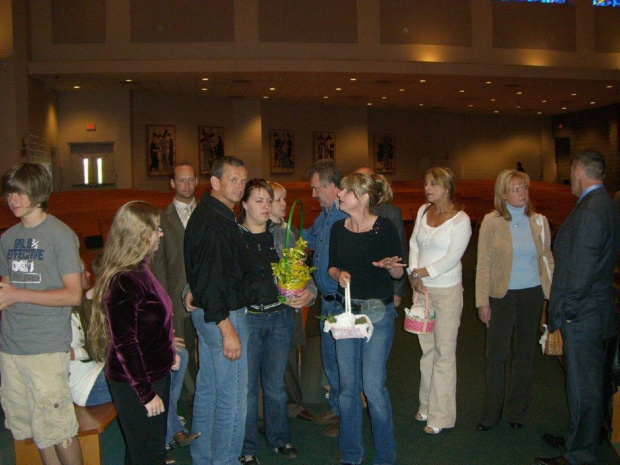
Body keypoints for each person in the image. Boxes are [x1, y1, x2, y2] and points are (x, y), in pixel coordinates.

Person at [536, 150, 620, 465]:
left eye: (572, 173)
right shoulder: (606, 205)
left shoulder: (590, 210)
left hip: (583, 314)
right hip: (596, 310)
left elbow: (580, 273)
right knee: (589, 385)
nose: (571, 179)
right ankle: (579, 437)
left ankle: (579, 455)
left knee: (583, 388)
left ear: (579, 171)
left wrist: (566, 312)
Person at [0, 162, 84, 465]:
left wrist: (17, 294)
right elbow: (5, 293)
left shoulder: (60, 234)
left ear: (39, 192)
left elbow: (74, 294)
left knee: (60, 431)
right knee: (37, 432)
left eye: (20, 192)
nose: (13, 199)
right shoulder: (7, 238)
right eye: (10, 193)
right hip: (11, 347)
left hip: (45, 348)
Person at [88, 201, 179, 465]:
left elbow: (151, 325)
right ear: (139, 234)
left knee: (148, 452)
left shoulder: (140, 268)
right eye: (156, 229)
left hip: (153, 372)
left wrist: (169, 353)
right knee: (146, 454)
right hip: (135, 382)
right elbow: (125, 343)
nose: (160, 235)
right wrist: (146, 394)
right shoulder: (124, 280)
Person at [327, 173, 406, 465]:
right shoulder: (338, 228)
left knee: (373, 386)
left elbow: (399, 272)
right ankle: (351, 454)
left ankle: (385, 457)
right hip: (346, 312)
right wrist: (339, 275)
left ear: (361, 198)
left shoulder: (384, 228)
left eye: (345, 192)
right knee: (348, 388)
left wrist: (390, 267)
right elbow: (331, 267)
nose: (339, 195)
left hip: (378, 312)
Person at [238, 179, 316, 465]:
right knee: (246, 390)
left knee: (274, 385)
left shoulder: (283, 235)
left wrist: (308, 293)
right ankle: (247, 447)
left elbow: (302, 274)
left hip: (279, 318)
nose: (265, 206)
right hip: (247, 320)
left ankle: (280, 438)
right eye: (258, 200)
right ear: (244, 204)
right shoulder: (235, 237)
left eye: (268, 200)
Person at [183, 156, 250, 465]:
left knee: (209, 391)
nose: (239, 186)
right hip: (222, 316)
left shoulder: (211, 213)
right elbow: (212, 282)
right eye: (233, 180)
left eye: (242, 180)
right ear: (215, 182)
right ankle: (223, 461)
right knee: (232, 399)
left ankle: (204, 457)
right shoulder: (214, 222)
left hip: (208, 314)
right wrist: (228, 331)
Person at [475, 169, 554, 431]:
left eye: (525, 188)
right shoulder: (491, 221)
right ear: (503, 194)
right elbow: (483, 264)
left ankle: (517, 410)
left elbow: (547, 258)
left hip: (532, 294)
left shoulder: (539, 221)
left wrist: (551, 296)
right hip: (502, 295)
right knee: (496, 354)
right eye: (516, 189)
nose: (523, 193)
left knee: (524, 354)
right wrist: (482, 301)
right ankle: (492, 411)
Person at [408, 167, 472, 435]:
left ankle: (441, 416)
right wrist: (413, 275)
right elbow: (413, 244)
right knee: (427, 351)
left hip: (445, 292)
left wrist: (422, 272)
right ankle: (425, 405)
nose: (427, 188)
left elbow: (451, 259)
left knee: (444, 354)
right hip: (421, 291)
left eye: (433, 184)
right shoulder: (424, 211)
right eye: (425, 183)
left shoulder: (461, 220)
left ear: (447, 187)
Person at [302, 160, 348, 438]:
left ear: (332, 187)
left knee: (343, 360)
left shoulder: (344, 214)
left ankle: (346, 414)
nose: (313, 194)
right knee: (330, 358)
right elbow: (311, 238)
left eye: (316, 188)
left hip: (342, 300)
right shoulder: (326, 213)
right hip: (328, 300)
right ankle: (336, 407)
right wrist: (282, 230)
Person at [268, 180, 314, 422]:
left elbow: (301, 267)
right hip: (269, 305)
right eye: (278, 200)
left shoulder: (291, 230)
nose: (284, 204)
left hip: (290, 303)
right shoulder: (260, 230)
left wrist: (309, 289)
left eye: (285, 200)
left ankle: (294, 404)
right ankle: (269, 411)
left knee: (288, 358)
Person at [152, 162, 198, 401]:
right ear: (172, 183)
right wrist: (164, 300)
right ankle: (192, 397)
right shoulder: (161, 217)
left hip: (206, 294)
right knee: (184, 348)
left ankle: (206, 390)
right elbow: (158, 263)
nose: (187, 185)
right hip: (176, 293)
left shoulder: (205, 212)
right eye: (181, 180)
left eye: (191, 180)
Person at [353, 167, 408, 307]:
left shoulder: (390, 212)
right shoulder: (350, 210)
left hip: (382, 282)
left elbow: (400, 253)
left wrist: (397, 291)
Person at [70, 255, 112, 407]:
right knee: (144, 378)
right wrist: (88, 351)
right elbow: (67, 353)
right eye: (83, 272)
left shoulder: (78, 306)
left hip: (97, 370)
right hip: (86, 384)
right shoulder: (65, 313)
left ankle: (168, 424)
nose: (88, 274)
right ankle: (168, 426)